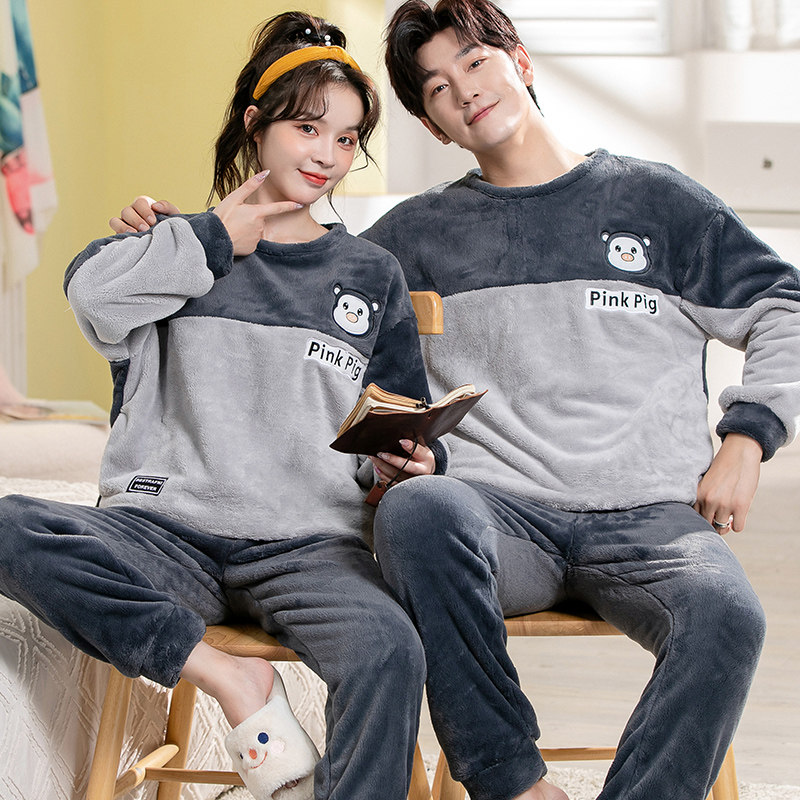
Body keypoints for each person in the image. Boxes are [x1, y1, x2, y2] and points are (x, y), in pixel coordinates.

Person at [110, 2, 800, 798]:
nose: (464, 90)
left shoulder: (660, 202)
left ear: (520, 62)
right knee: (417, 510)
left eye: (475, 62)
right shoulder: (409, 238)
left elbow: (783, 306)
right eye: (437, 88)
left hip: (649, 516)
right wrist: (171, 244)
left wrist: (748, 437)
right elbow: (285, 281)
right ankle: (511, 782)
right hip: (496, 519)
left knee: (727, 615)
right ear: (432, 126)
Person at [0, 12, 443, 800]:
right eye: (308, 128)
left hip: (309, 546)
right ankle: (228, 678)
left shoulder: (371, 274)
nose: (327, 154)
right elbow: (90, 296)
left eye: (346, 138)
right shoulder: (172, 243)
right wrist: (205, 238)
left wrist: (405, 465)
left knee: (389, 650)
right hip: (163, 530)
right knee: (8, 526)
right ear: (255, 125)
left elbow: (402, 419)